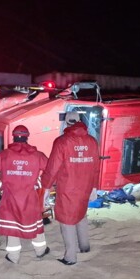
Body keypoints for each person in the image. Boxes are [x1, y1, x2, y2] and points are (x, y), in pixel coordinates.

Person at [41, 112, 100, 265]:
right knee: (81, 214)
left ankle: (70, 257)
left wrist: (46, 187)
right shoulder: (92, 141)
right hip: (85, 186)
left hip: (68, 187)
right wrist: (94, 186)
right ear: (80, 121)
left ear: (66, 123)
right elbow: (96, 167)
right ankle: (85, 246)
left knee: (67, 220)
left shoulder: (62, 142)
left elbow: (52, 168)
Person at [0, 125, 49, 264]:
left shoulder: (5, 154)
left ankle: (13, 257)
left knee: (12, 227)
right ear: (27, 137)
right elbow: (50, 170)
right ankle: (40, 251)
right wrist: (38, 183)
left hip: (10, 196)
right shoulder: (37, 155)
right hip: (30, 196)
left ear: (13, 137)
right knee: (36, 224)